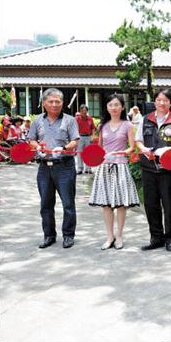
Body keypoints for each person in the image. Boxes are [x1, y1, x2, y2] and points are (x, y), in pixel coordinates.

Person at [27, 88, 80, 249]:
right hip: (44, 168)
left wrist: (63, 147)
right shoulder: (37, 120)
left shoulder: (70, 120)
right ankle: (49, 235)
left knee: (68, 203)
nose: (55, 104)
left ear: (63, 103)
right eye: (51, 101)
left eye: (58, 101)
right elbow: (31, 140)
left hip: (64, 166)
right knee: (45, 204)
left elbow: (75, 141)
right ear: (44, 103)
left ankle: (68, 235)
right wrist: (38, 148)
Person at [135, 89, 171, 252]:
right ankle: (155, 237)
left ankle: (170, 238)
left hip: (168, 170)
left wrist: (167, 150)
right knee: (151, 204)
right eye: (158, 100)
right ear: (154, 102)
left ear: (170, 103)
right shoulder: (145, 120)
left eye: (165, 100)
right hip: (148, 168)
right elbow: (138, 141)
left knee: (169, 204)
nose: (161, 103)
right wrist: (143, 149)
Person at [89, 94, 140, 250]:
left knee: (120, 204)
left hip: (121, 166)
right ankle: (109, 236)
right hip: (105, 167)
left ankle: (119, 235)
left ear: (123, 107)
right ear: (107, 107)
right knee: (105, 204)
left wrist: (123, 152)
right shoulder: (102, 126)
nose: (114, 107)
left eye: (117, 105)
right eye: (111, 105)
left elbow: (132, 147)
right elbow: (100, 147)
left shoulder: (128, 125)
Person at [75, 104, 96, 174]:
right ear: (80, 111)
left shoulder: (90, 118)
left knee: (89, 153)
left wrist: (93, 136)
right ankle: (80, 168)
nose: (84, 112)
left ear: (87, 111)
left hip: (88, 137)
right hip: (80, 137)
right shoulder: (77, 119)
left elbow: (93, 128)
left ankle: (88, 168)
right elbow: (74, 129)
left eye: (85, 110)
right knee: (79, 153)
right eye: (82, 110)